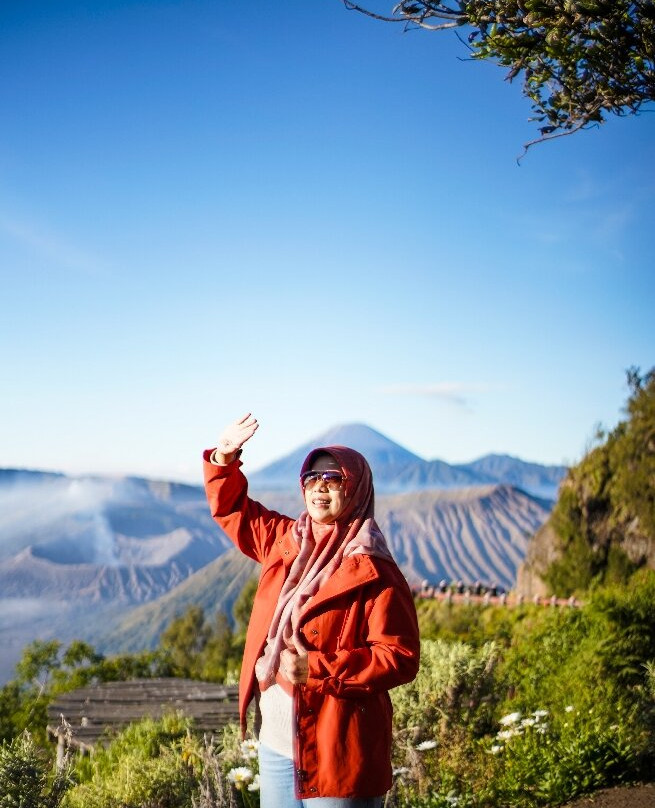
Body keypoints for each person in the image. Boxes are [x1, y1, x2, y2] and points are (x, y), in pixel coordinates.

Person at [203, 414, 420, 807]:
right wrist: (223, 458)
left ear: (354, 489)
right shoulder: (286, 541)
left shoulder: (374, 570)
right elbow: (235, 511)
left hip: (337, 752)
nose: (320, 486)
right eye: (312, 479)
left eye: (334, 478)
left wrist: (317, 669)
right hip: (276, 744)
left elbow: (399, 657)